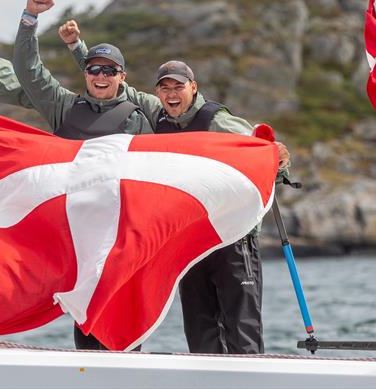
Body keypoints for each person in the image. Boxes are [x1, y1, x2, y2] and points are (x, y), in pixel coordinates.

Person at [59, 22, 290, 355]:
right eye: (164, 88)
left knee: (242, 334)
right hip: (192, 241)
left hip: (234, 239)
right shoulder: (159, 117)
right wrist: (78, 48)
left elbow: (261, 150)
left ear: (193, 87)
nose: (170, 94)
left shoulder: (217, 121)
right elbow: (109, 82)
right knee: (201, 334)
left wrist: (281, 161)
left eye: (177, 87)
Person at [12, 0, 152, 350]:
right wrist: (30, 19)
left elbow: (153, 180)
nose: (100, 76)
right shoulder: (64, 107)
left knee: (120, 326)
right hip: (72, 238)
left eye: (109, 70)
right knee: (85, 327)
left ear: (122, 76)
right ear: (85, 73)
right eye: (93, 69)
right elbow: (28, 71)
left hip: (118, 241)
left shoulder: (138, 119)